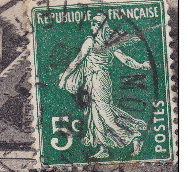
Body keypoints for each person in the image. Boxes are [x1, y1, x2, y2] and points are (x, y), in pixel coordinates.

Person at [57, 12, 150, 159]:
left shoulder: (99, 42)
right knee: (95, 116)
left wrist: (141, 66)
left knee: (105, 113)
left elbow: (124, 59)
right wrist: (141, 66)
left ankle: (133, 136)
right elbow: (78, 60)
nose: (92, 26)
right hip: (92, 80)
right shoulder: (99, 42)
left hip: (99, 79)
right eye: (92, 23)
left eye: (96, 23)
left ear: (102, 27)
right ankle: (103, 148)